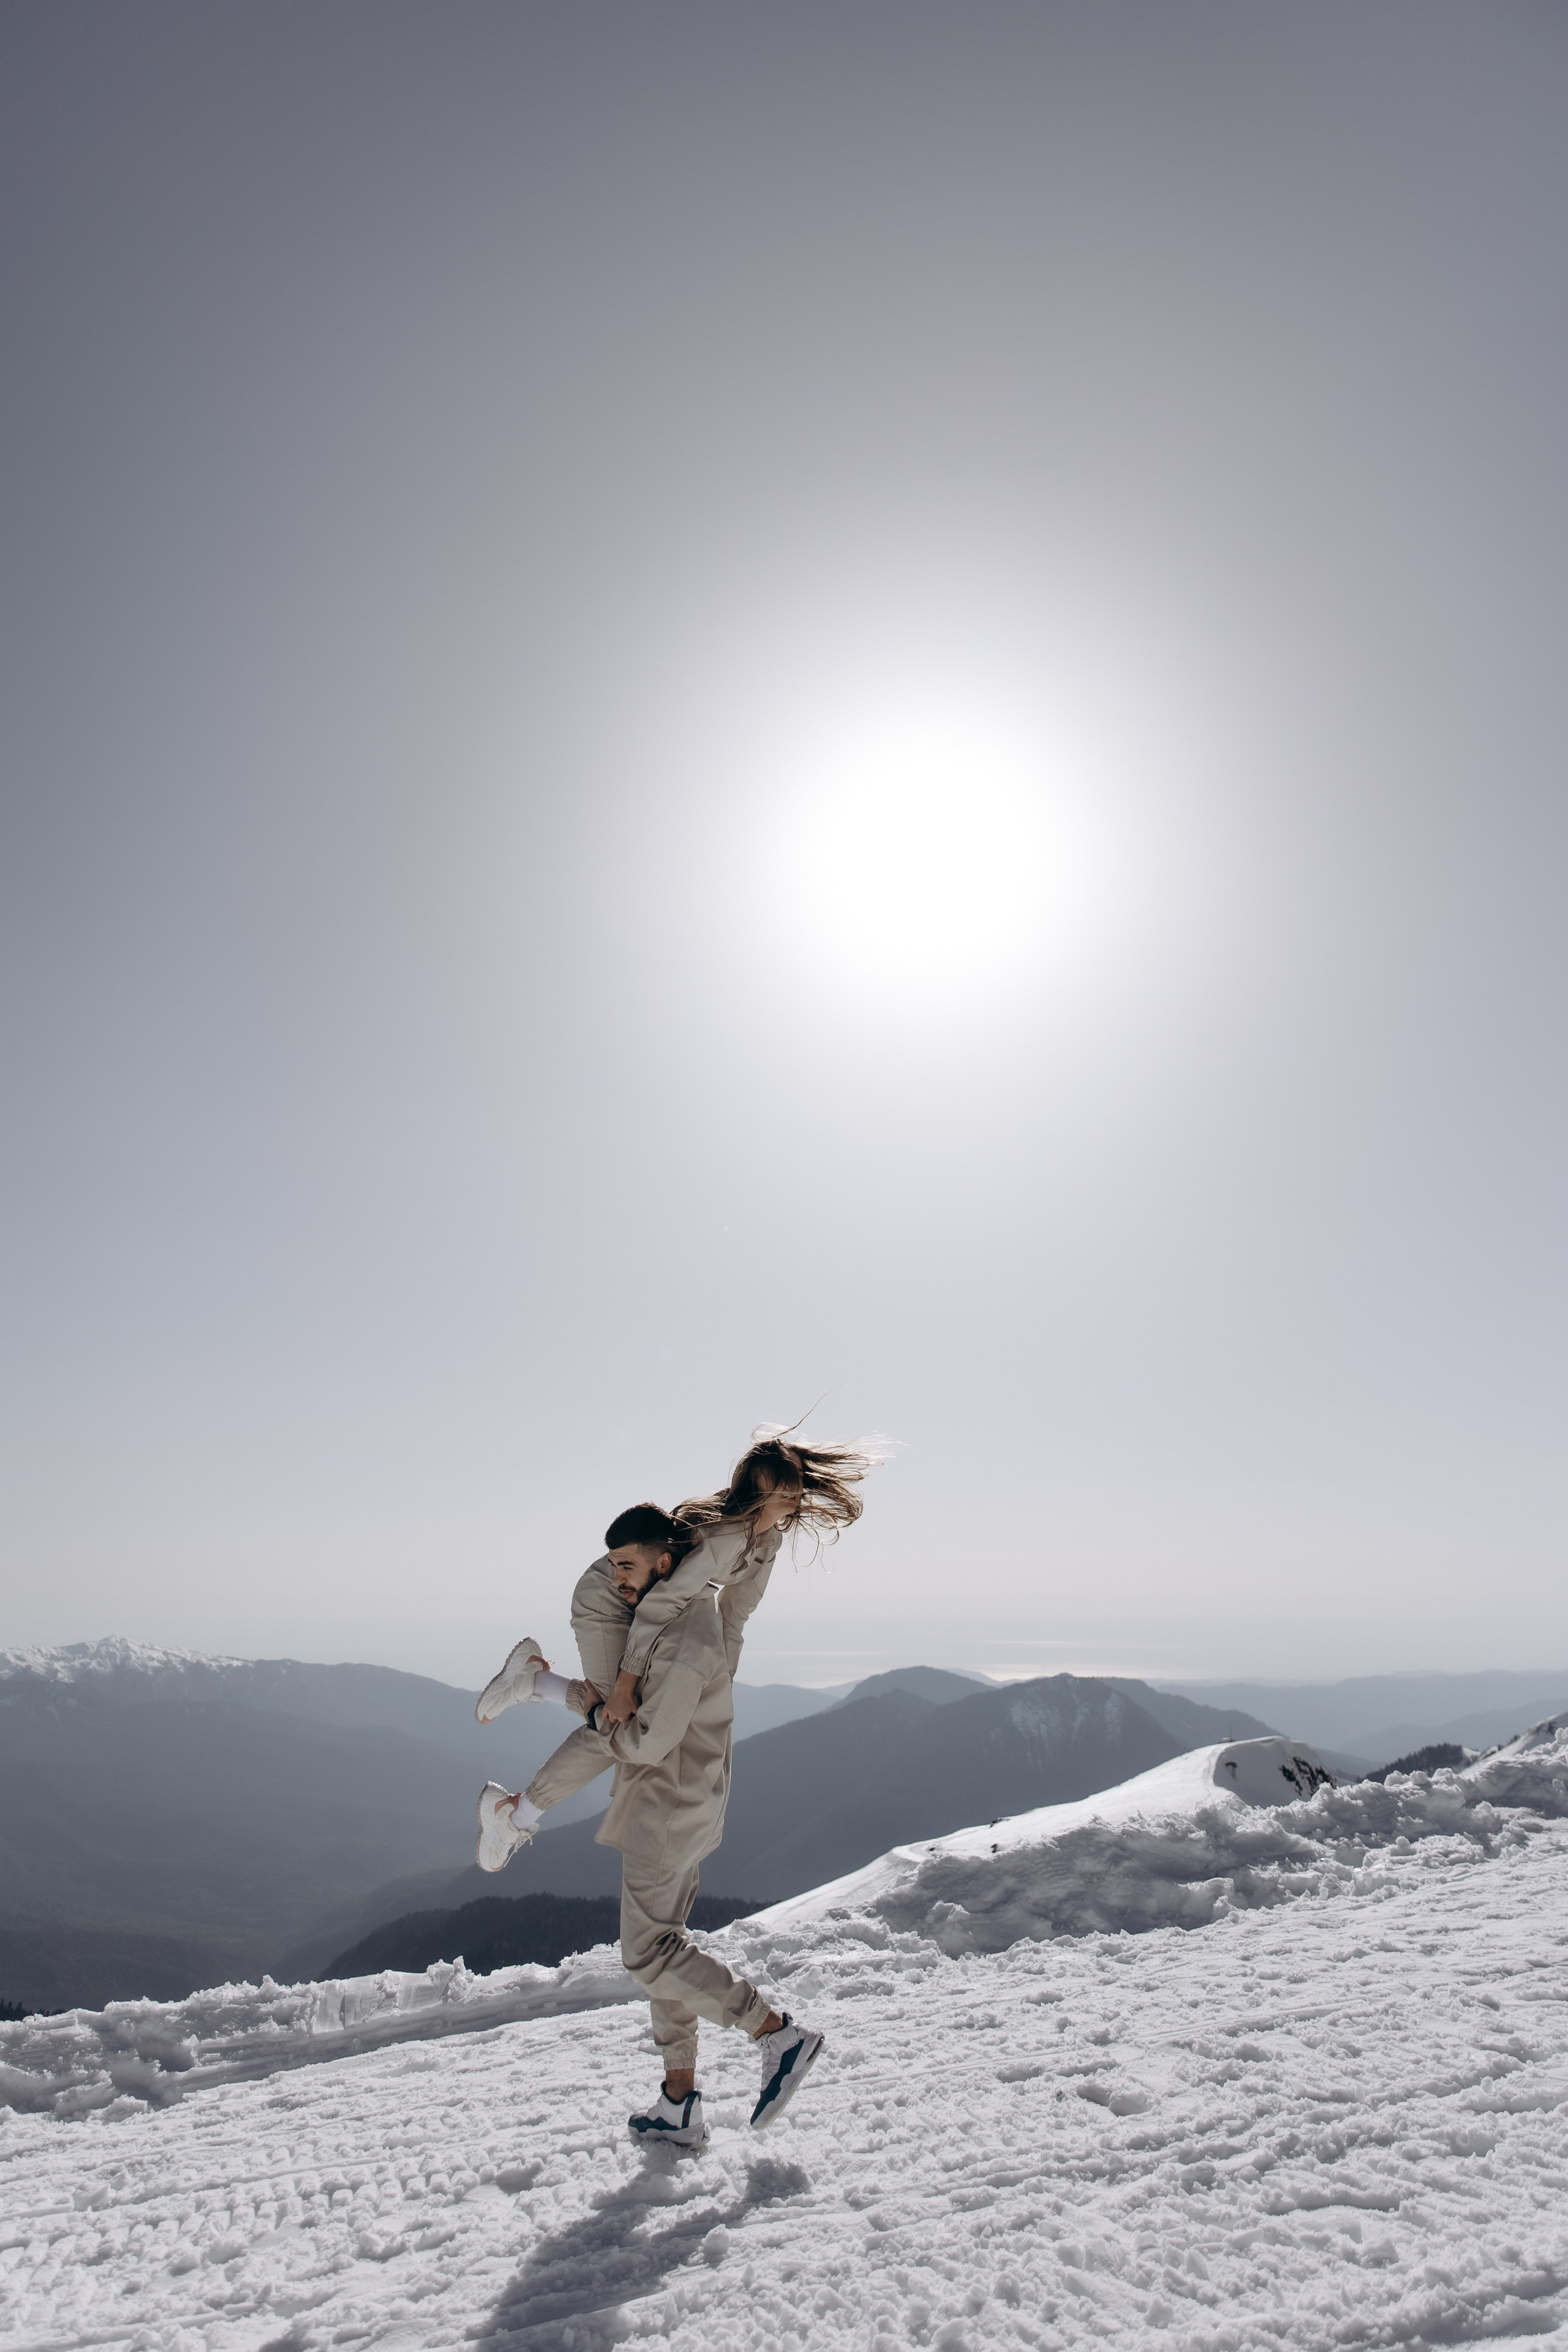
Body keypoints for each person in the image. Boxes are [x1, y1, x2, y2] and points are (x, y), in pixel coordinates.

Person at [478, 1543, 823, 2144]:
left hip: (668, 1813)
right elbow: (734, 1600)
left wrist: (576, 1703)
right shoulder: (701, 1621)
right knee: (666, 1948)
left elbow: (630, 1735)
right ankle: (679, 2103)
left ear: (666, 1565)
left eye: (628, 1569)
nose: (619, 1580)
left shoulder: (684, 1637)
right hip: (689, 1808)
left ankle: (777, 2035)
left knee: (648, 1955)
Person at [473, 1429, 880, 1743]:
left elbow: (735, 1615)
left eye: (796, 1478)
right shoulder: (728, 1536)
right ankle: (531, 1684)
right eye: (783, 1480)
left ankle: (533, 1689)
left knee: (639, 1717)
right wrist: (625, 1686)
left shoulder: (767, 1541)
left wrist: (720, 1686)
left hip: (651, 1600)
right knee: (622, 1717)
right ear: (758, 1486)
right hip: (613, 1591)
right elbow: (661, 1604)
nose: (795, 1489)